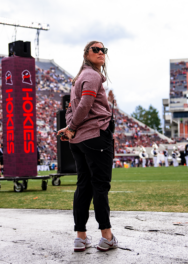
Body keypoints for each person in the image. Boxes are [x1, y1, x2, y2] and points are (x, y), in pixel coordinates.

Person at [57, 40, 118, 252]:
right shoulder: (91, 75)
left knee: (83, 186)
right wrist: (71, 127)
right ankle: (107, 237)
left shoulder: (77, 79)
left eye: (104, 50)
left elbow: (70, 109)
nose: (101, 52)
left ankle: (80, 238)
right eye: (96, 49)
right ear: (86, 54)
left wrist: (70, 128)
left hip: (80, 140)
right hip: (95, 137)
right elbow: (85, 105)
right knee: (100, 186)